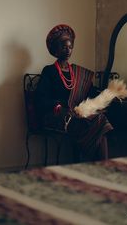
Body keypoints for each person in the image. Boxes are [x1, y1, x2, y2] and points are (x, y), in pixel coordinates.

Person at [35, 24, 113, 161]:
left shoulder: (77, 72)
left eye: (70, 47)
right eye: (64, 47)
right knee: (95, 125)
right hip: (58, 115)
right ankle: (97, 166)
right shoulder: (49, 71)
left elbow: (90, 92)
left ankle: (102, 166)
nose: (68, 50)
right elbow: (41, 99)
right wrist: (59, 107)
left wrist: (105, 94)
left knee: (100, 121)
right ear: (55, 49)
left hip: (77, 114)